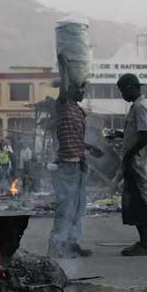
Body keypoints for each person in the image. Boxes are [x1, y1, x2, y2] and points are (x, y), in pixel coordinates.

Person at [47, 81, 103, 259]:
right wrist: (69, 69)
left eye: (83, 88)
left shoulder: (77, 110)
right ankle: (56, 247)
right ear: (67, 90)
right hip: (66, 167)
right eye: (78, 88)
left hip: (78, 164)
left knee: (78, 207)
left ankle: (71, 244)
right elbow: (64, 84)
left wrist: (89, 147)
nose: (82, 92)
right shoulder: (63, 105)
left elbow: (74, 138)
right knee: (65, 208)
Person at [116, 73, 147, 257]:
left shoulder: (140, 107)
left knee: (139, 202)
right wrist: (121, 135)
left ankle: (145, 245)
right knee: (136, 202)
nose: (122, 95)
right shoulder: (136, 107)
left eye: (122, 91)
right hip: (134, 162)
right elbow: (137, 134)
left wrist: (129, 154)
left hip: (136, 162)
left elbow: (146, 135)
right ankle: (143, 242)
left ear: (131, 88)